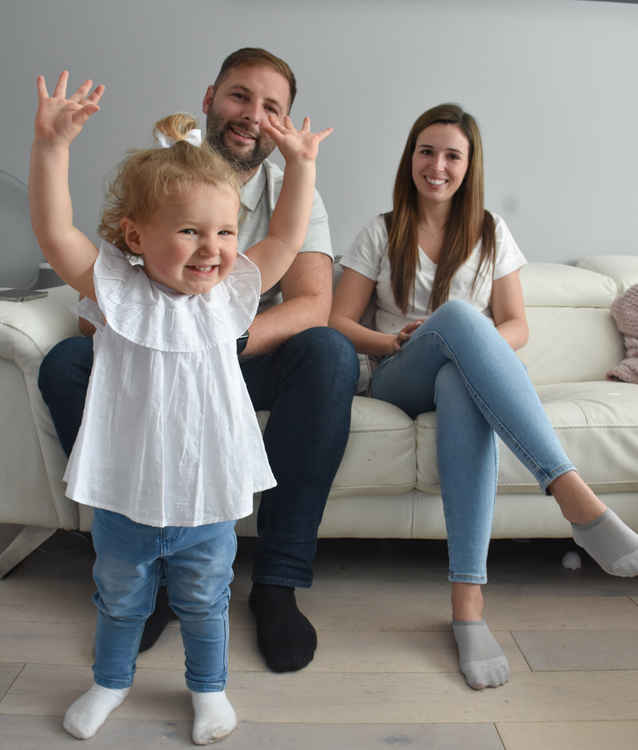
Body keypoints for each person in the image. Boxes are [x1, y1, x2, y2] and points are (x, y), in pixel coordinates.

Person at [29, 70, 332, 741]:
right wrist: (52, 149)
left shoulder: (227, 297)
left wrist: (300, 164)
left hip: (206, 494)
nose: (214, 249)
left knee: (204, 601)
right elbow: (56, 234)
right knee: (119, 600)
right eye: (192, 231)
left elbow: (282, 240)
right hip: (126, 495)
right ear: (135, 238)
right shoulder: (116, 290)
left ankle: (208, 691)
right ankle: (110, 682)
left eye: (224, 233)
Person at [329, 103, 638, 691]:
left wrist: (472, 344)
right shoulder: (380, 229)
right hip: (397, 373)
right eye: (427, 151)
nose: (437, 165)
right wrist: (394, 338)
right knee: (455, 320)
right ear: (410, 158)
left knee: (460, 373)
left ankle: (467, 608)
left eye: (452, 155)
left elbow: (517, 325)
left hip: (451, 380)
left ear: (469, 167)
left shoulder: (492, 232)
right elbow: (340, 322)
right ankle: (575, 498)